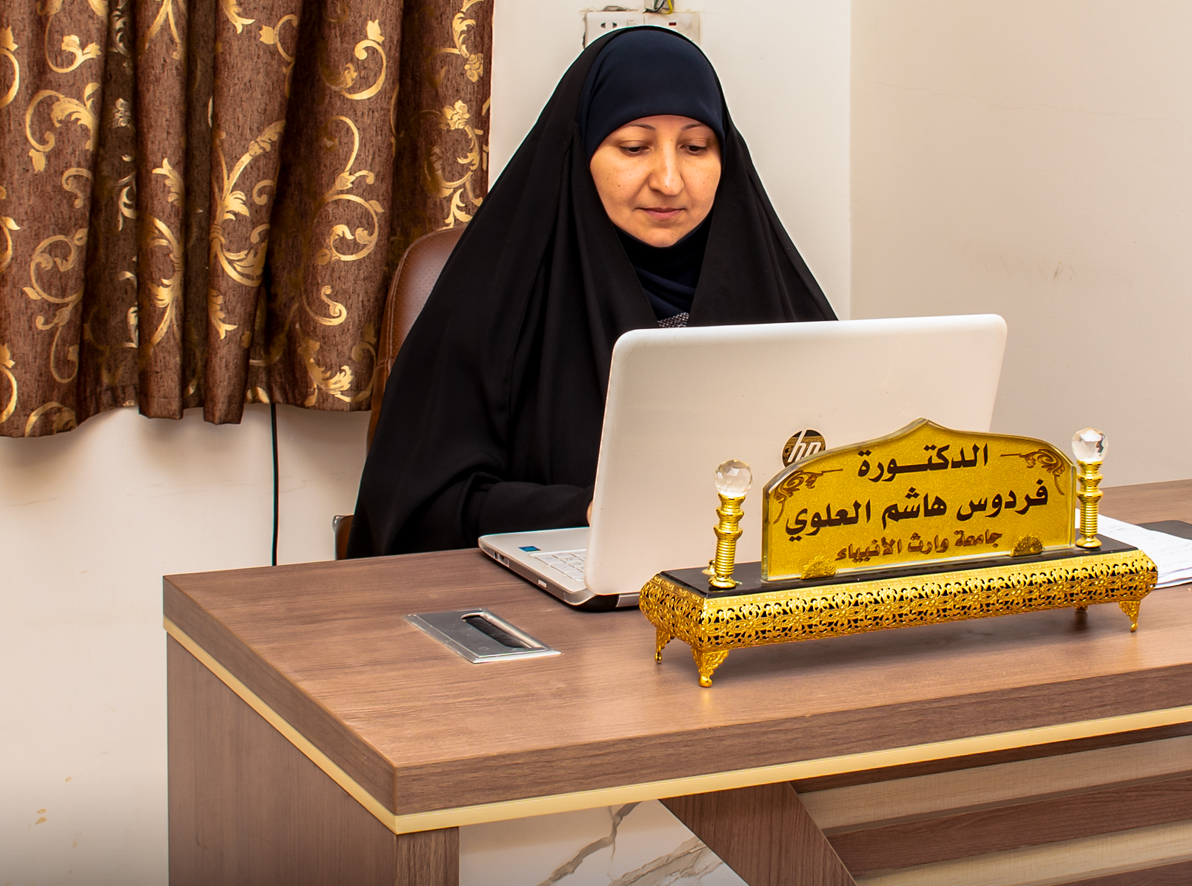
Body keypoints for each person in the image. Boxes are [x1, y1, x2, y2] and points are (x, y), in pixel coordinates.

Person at [345, 27, 834, 557]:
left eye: (695, 147)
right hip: (549, 596)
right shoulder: (495, 301)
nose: (669, 180)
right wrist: (583, 511)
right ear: (581, 151)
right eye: (634, 147)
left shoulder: (776, 294)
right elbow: (415, 514)